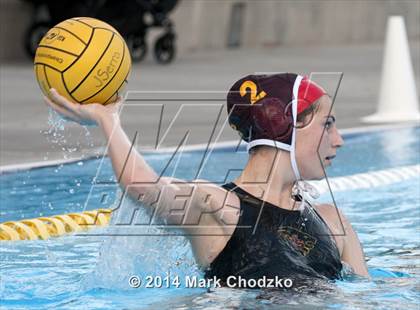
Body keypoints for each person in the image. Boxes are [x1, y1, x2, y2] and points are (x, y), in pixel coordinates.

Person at [44, 73, 369, 288]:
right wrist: (107, 118)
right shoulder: (218, 208)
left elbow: (367, 294)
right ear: (288, 127)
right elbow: (141, 184)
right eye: (327, 124)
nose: (339, 139)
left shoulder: (332, 220)